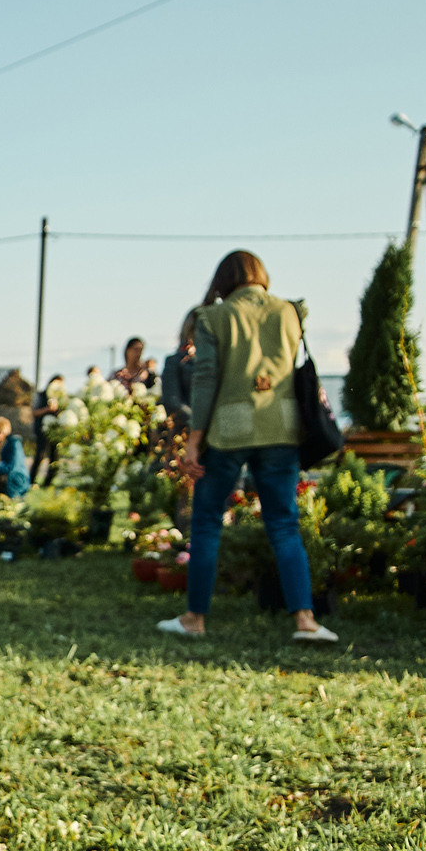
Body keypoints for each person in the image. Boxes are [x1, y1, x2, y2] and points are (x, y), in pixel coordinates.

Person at [163, 249, 336, 644]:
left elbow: (205, 381)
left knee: (206, 523)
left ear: (224, 280)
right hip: (281, 428)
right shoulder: (291, 311)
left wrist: (193, 441)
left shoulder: (214, 317)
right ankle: (306, 621)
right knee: (284, 526)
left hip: (228, 431)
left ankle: (195, 619)